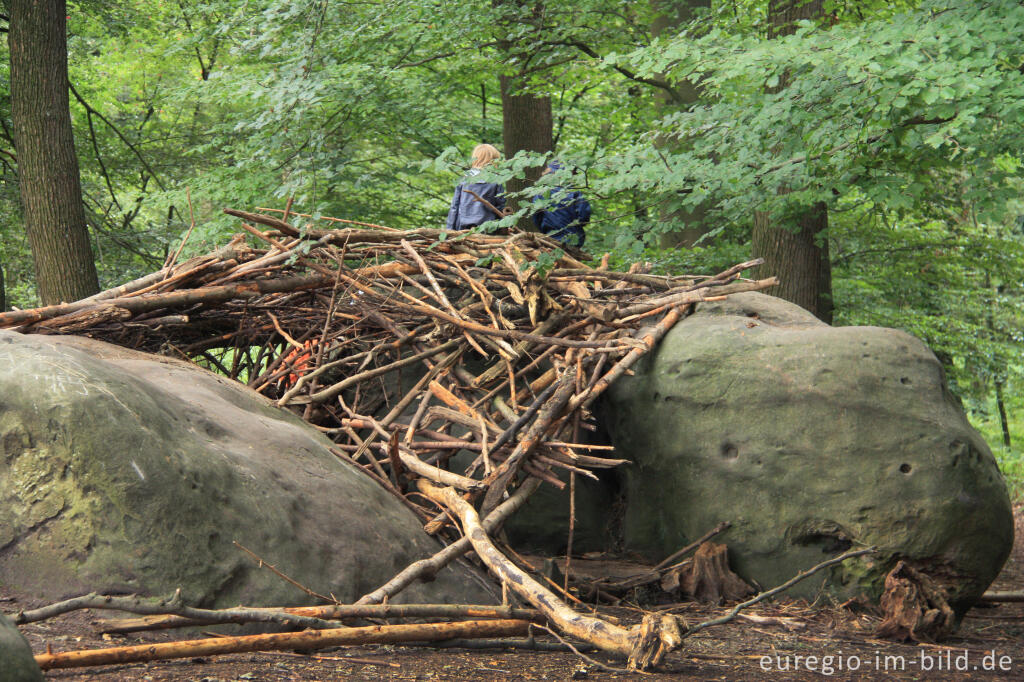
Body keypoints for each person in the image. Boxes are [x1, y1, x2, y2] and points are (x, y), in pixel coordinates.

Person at [446, 144, 507, 231]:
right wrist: (505, 227)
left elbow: (454, 207)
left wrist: (449, 230)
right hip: (488, 230)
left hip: (463, 228)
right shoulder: (495, 179)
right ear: (493, 160)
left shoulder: (464, 178)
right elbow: (501, 207)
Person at [530, 160, 590, 248]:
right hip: (575, 239)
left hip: (550, 238)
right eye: (572, 173)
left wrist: (545, 229)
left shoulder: (541, 193)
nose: (573, 176)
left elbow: (536, 217)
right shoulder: (575, 192)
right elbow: (584, 216)